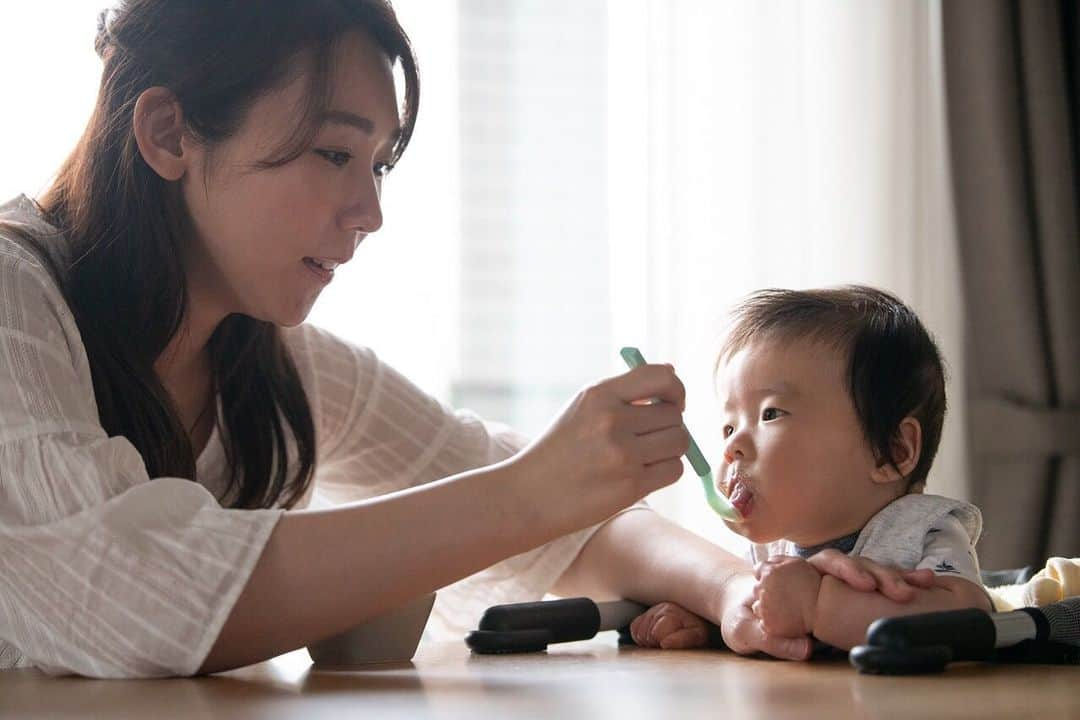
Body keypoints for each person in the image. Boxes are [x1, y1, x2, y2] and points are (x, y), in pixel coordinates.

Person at [0, 2, 929, 678]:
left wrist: (740, 597)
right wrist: (529, 492)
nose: (367, 213)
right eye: (334, 153)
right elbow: (127, 591)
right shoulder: (15, 302)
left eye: (379, 164)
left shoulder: (272, 363)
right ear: (169, 133)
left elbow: (562, 522)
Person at [630, 286, 991, 652]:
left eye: (770, 414)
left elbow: (969, 617)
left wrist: (817, 606)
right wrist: (707, 622)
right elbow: (756, 617)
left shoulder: (923, 528)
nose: (732, 446)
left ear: (891, 452)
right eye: (729, 427)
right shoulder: (770, 552)